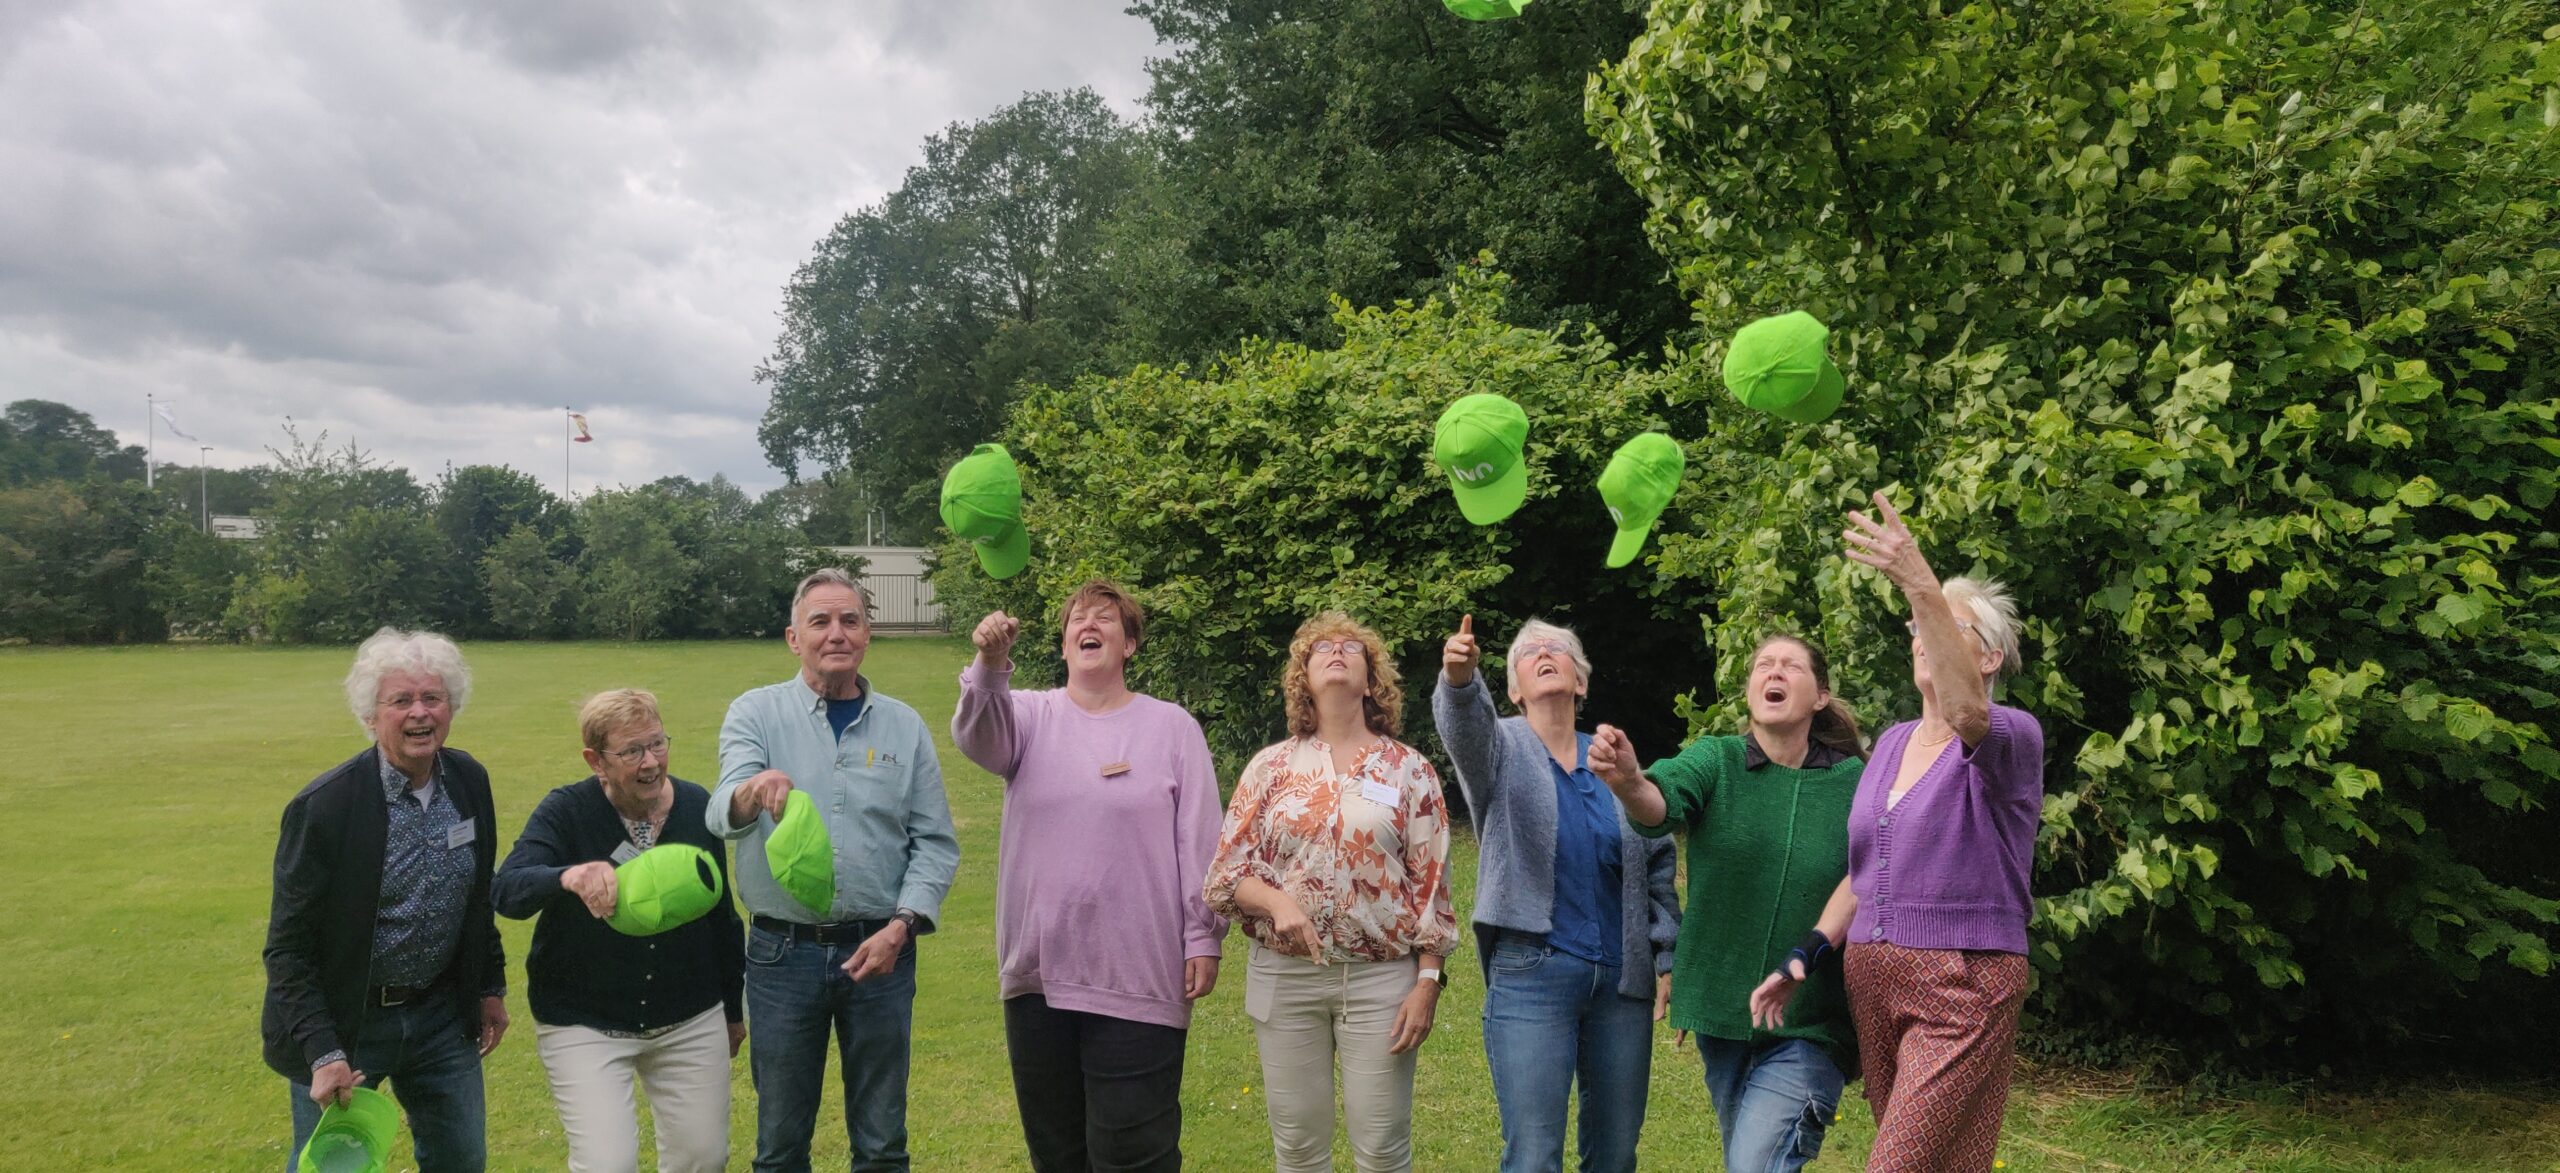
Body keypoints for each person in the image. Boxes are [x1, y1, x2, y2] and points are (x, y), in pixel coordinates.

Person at [1752, 491, 2044, 1172]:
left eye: (1941, 622)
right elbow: (1867, 872)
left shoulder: (2010, 737)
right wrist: (1805, 956)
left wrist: (1920, 582)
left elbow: (1969, 710)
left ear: (1991, 657)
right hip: (1874, 984)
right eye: (1917, 622)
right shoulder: (1890, 743)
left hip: (1962, 981)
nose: (1922, 631)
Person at [952, 580, 1228, 1172]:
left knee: (1136, 1156)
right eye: (1078, 618)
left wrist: (1203, 935)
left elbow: (1202, 840)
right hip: (1039, 980)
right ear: (1063, 642)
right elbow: (977, 736)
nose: (1089, 624)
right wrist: (990, 662)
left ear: (1129, 644)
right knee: (1057, 1156)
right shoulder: (1028, 714)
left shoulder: (1171, 728)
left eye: (1105, 618)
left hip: (1139, 976)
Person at [709, 567, 962, 1172]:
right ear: (794, 638)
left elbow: (934, 842)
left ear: (868, 634)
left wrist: (900, 928)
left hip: (882, 952)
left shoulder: (903, 725)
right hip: (780, 955)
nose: (836, 633)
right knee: (780, 1144)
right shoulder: (757, 714)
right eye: (819, 621)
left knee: (880, 1144)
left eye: (850, 620)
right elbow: (722, 812)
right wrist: (753, 790)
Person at [1587, 631, 1868, 1172]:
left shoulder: (1855, 782)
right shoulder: (1715, 760)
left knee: (1755, 1164)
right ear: (1749, 689)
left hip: (1811, 1022)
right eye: (1764, 665)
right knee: (1750, 1159)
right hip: (1723, 1013)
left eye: (1791, 666)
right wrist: (1626, 781)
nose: (1775, 673)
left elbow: (1876, 873)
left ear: (1821, 697)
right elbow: (1657, 805)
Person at [1205, 611, 1459, 1173]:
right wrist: (1276, 901)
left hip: (1381, 983)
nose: (1337, 651)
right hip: (1285, 977)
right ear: (1304, 677)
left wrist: (1427, 982)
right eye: (1321, 647)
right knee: (1297, 1148)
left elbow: (1432, 892)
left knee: (1383, 1148)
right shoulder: (1270, 768)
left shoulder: (1408, 772)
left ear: (1371, 681)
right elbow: (1224, 875)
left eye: (1352, 647)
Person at [1430, 614, 1678, 1173]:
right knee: (1534, 1156)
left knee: (1614, 1156)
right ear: (1514, 689)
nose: (1545, 653)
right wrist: (1462, 683)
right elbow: (1465, 730)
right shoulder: (1499, 748)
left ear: (1581, 681)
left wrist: (1666, 954)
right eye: (1529, 652)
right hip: (1532, 975)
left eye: (1559, 648)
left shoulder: (1613, 759)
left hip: (1621, 983)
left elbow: (1657, 853)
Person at [262, 627, 507, 1173]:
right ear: (371, 716)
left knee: (462, 1161)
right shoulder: (326, 807)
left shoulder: (468, 779)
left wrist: (489, 985)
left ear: (451, 707)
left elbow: (476, 897)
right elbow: (288, 950)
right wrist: (323, 1053)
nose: (419, 713)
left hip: (442, 1016)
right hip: (349, 1024)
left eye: (432, 698)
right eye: (401, 700)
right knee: (332, 1167)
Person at [494, 689, 746, 1173]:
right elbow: (508, 890)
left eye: (657, 744)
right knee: (607, 1164)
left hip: (689, 1016)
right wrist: (565, 877)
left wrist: (732, 1011)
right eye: (632, 751)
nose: (651, 762)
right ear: (596, 761)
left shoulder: (696, 806)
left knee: (704, 1158)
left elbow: (722, 918)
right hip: (585, 1019)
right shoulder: (565, 811)